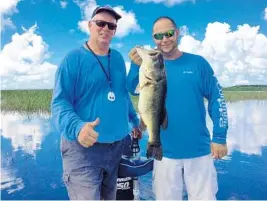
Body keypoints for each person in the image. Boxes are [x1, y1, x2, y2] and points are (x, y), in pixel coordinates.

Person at [127, 16, 228, 200]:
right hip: (164, 153)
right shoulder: (147, 66)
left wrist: (220, 136)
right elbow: (131, 90)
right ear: (153, 38)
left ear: (177, 33)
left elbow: (217, 98)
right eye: (158, 36)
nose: (164, 39)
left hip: (199, 151)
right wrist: (135, 66)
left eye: (169, 33)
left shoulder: (198, 64)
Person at [50, 5, 141, 200]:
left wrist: (134, 121)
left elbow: (122, 94)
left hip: (116, 148)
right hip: (83, 152)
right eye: (101, 23)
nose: (106, 28)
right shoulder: (73, 59)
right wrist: (78, 127)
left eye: (111, 26)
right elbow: (59, 103)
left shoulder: (116, 58)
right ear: (90, 25)